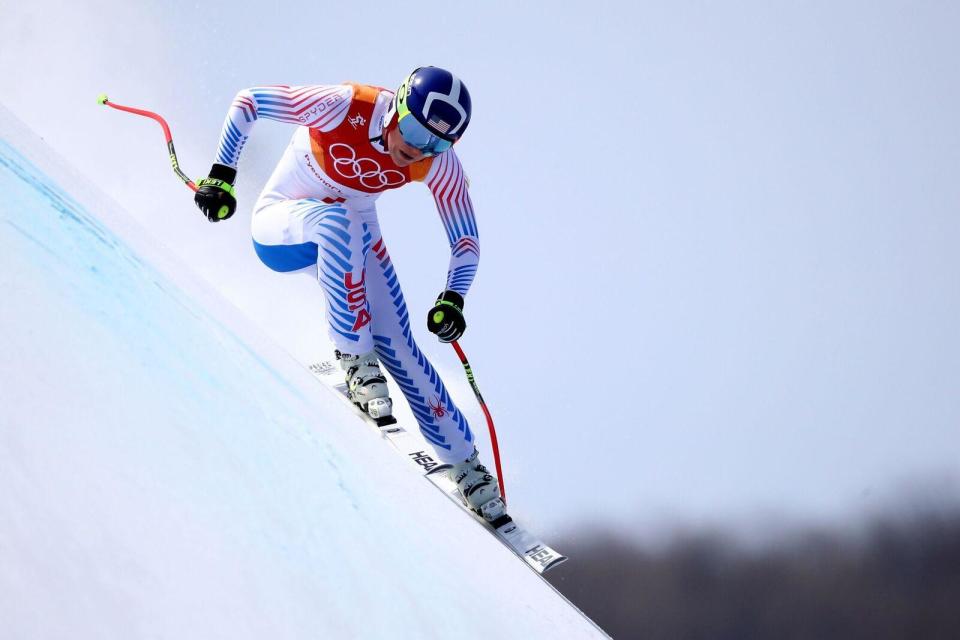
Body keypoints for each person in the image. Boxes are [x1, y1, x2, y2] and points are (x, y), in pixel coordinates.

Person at [193, 67, 504, 521]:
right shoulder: (346, 105)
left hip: (353, 230)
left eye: (436, 144)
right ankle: (354, 360)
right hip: (282, 224)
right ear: (399, 105)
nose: (416, 149)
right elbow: (249, 101)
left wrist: (453, 297)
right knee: (337, 222)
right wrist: (222, 173)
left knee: (398, 342)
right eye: (416, 130)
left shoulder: (437, 161)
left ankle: (466, 466)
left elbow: (466, 241)